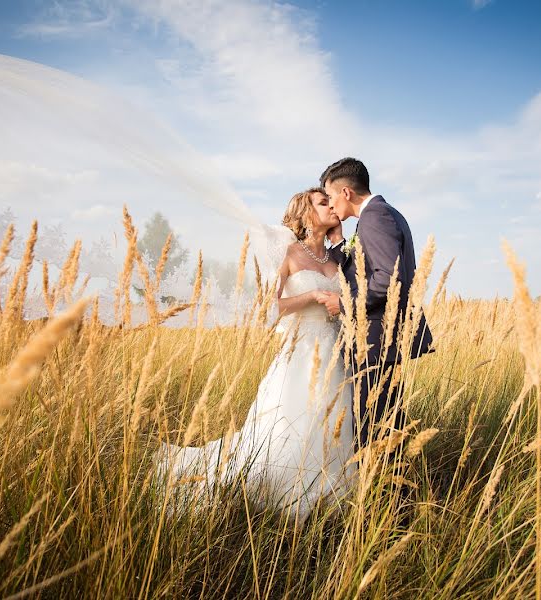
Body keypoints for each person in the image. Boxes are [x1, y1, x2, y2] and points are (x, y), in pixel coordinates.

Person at [154, 188, 356, 526]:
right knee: (291, 426)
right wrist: (309, 296)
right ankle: (283, 494)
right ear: (306, 213)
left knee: (333, 423)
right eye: (324, 203)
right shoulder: (289, 253)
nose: (333, 206)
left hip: (334, 352)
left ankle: (328, 497)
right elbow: (270, 305)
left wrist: (339, 244)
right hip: (300, 351)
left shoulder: (338, 259)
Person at [317, 157, 434, 453]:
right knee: (386, 423)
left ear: (346, 193)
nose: (331, 205)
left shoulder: (375, 217)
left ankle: (385, 494)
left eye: (330, 197)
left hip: (376, 340)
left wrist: (343, 304)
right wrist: (340, 246)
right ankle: (396, 493)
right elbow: (369, 270)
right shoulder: (383, 214)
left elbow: (387, 279)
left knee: (374, 427)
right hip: (383, 338)